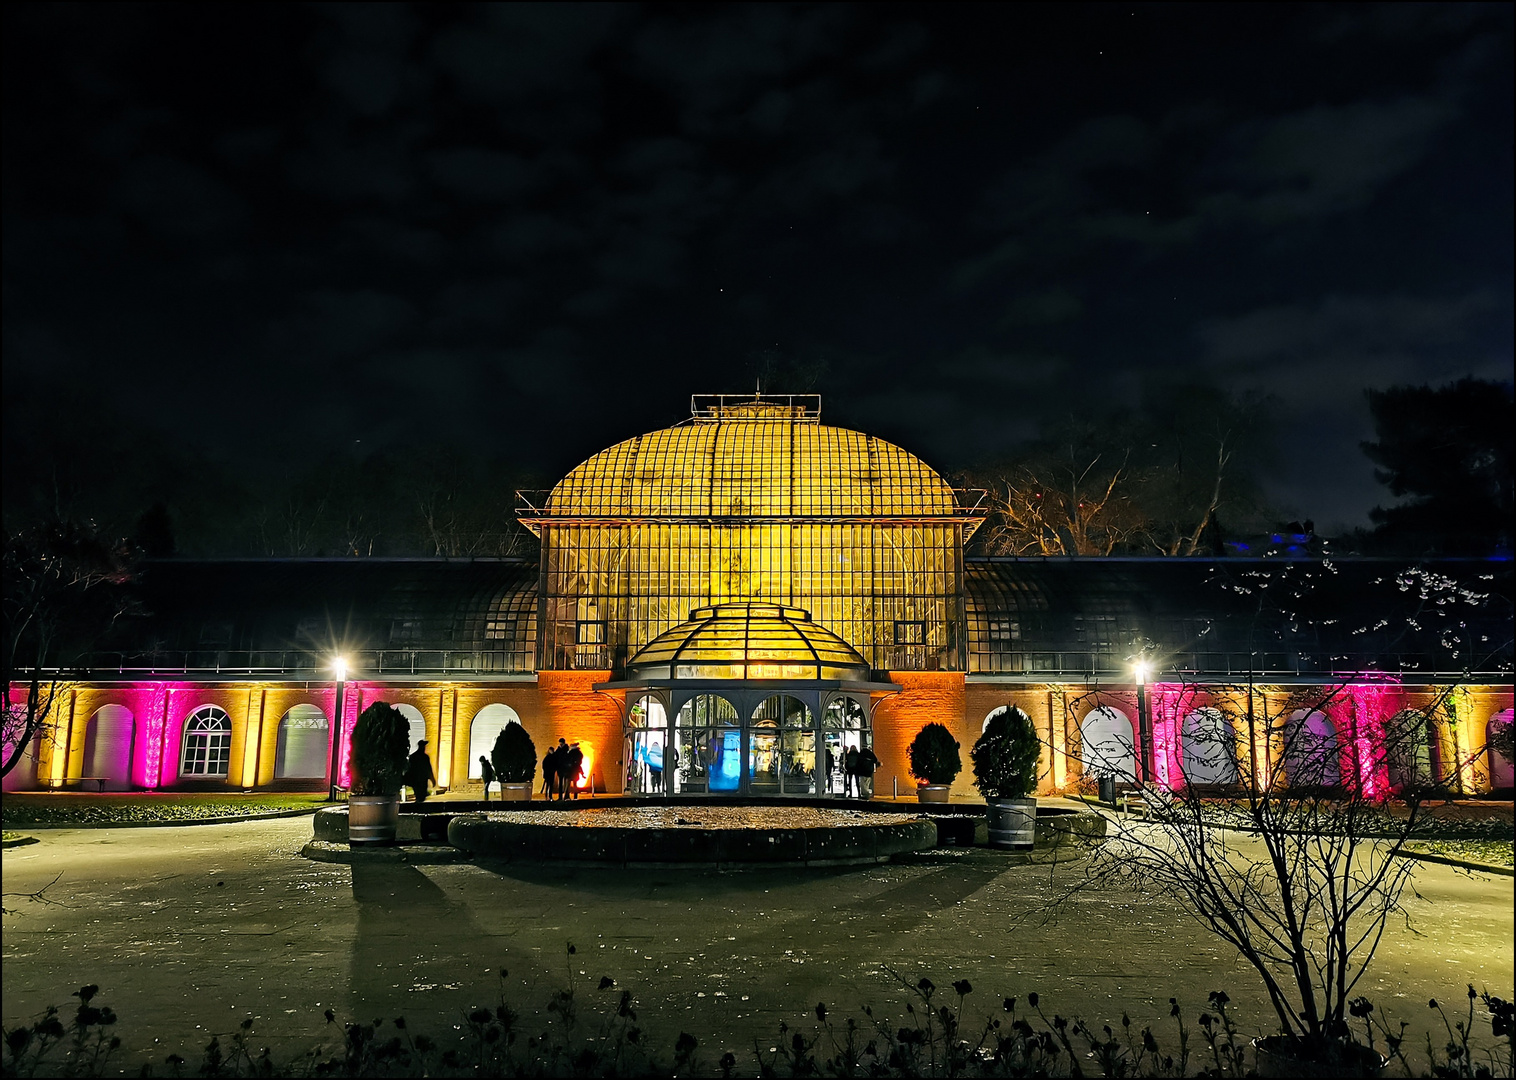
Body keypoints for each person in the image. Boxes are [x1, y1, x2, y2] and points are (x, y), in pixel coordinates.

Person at [405, 740, 437, 804]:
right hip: (420, 779)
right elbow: (428, 769)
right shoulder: (424, 757)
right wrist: (432, 779)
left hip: (417, 779)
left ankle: (418, 805)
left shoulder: (413, 756)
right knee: (421, 794)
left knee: (419, 794)